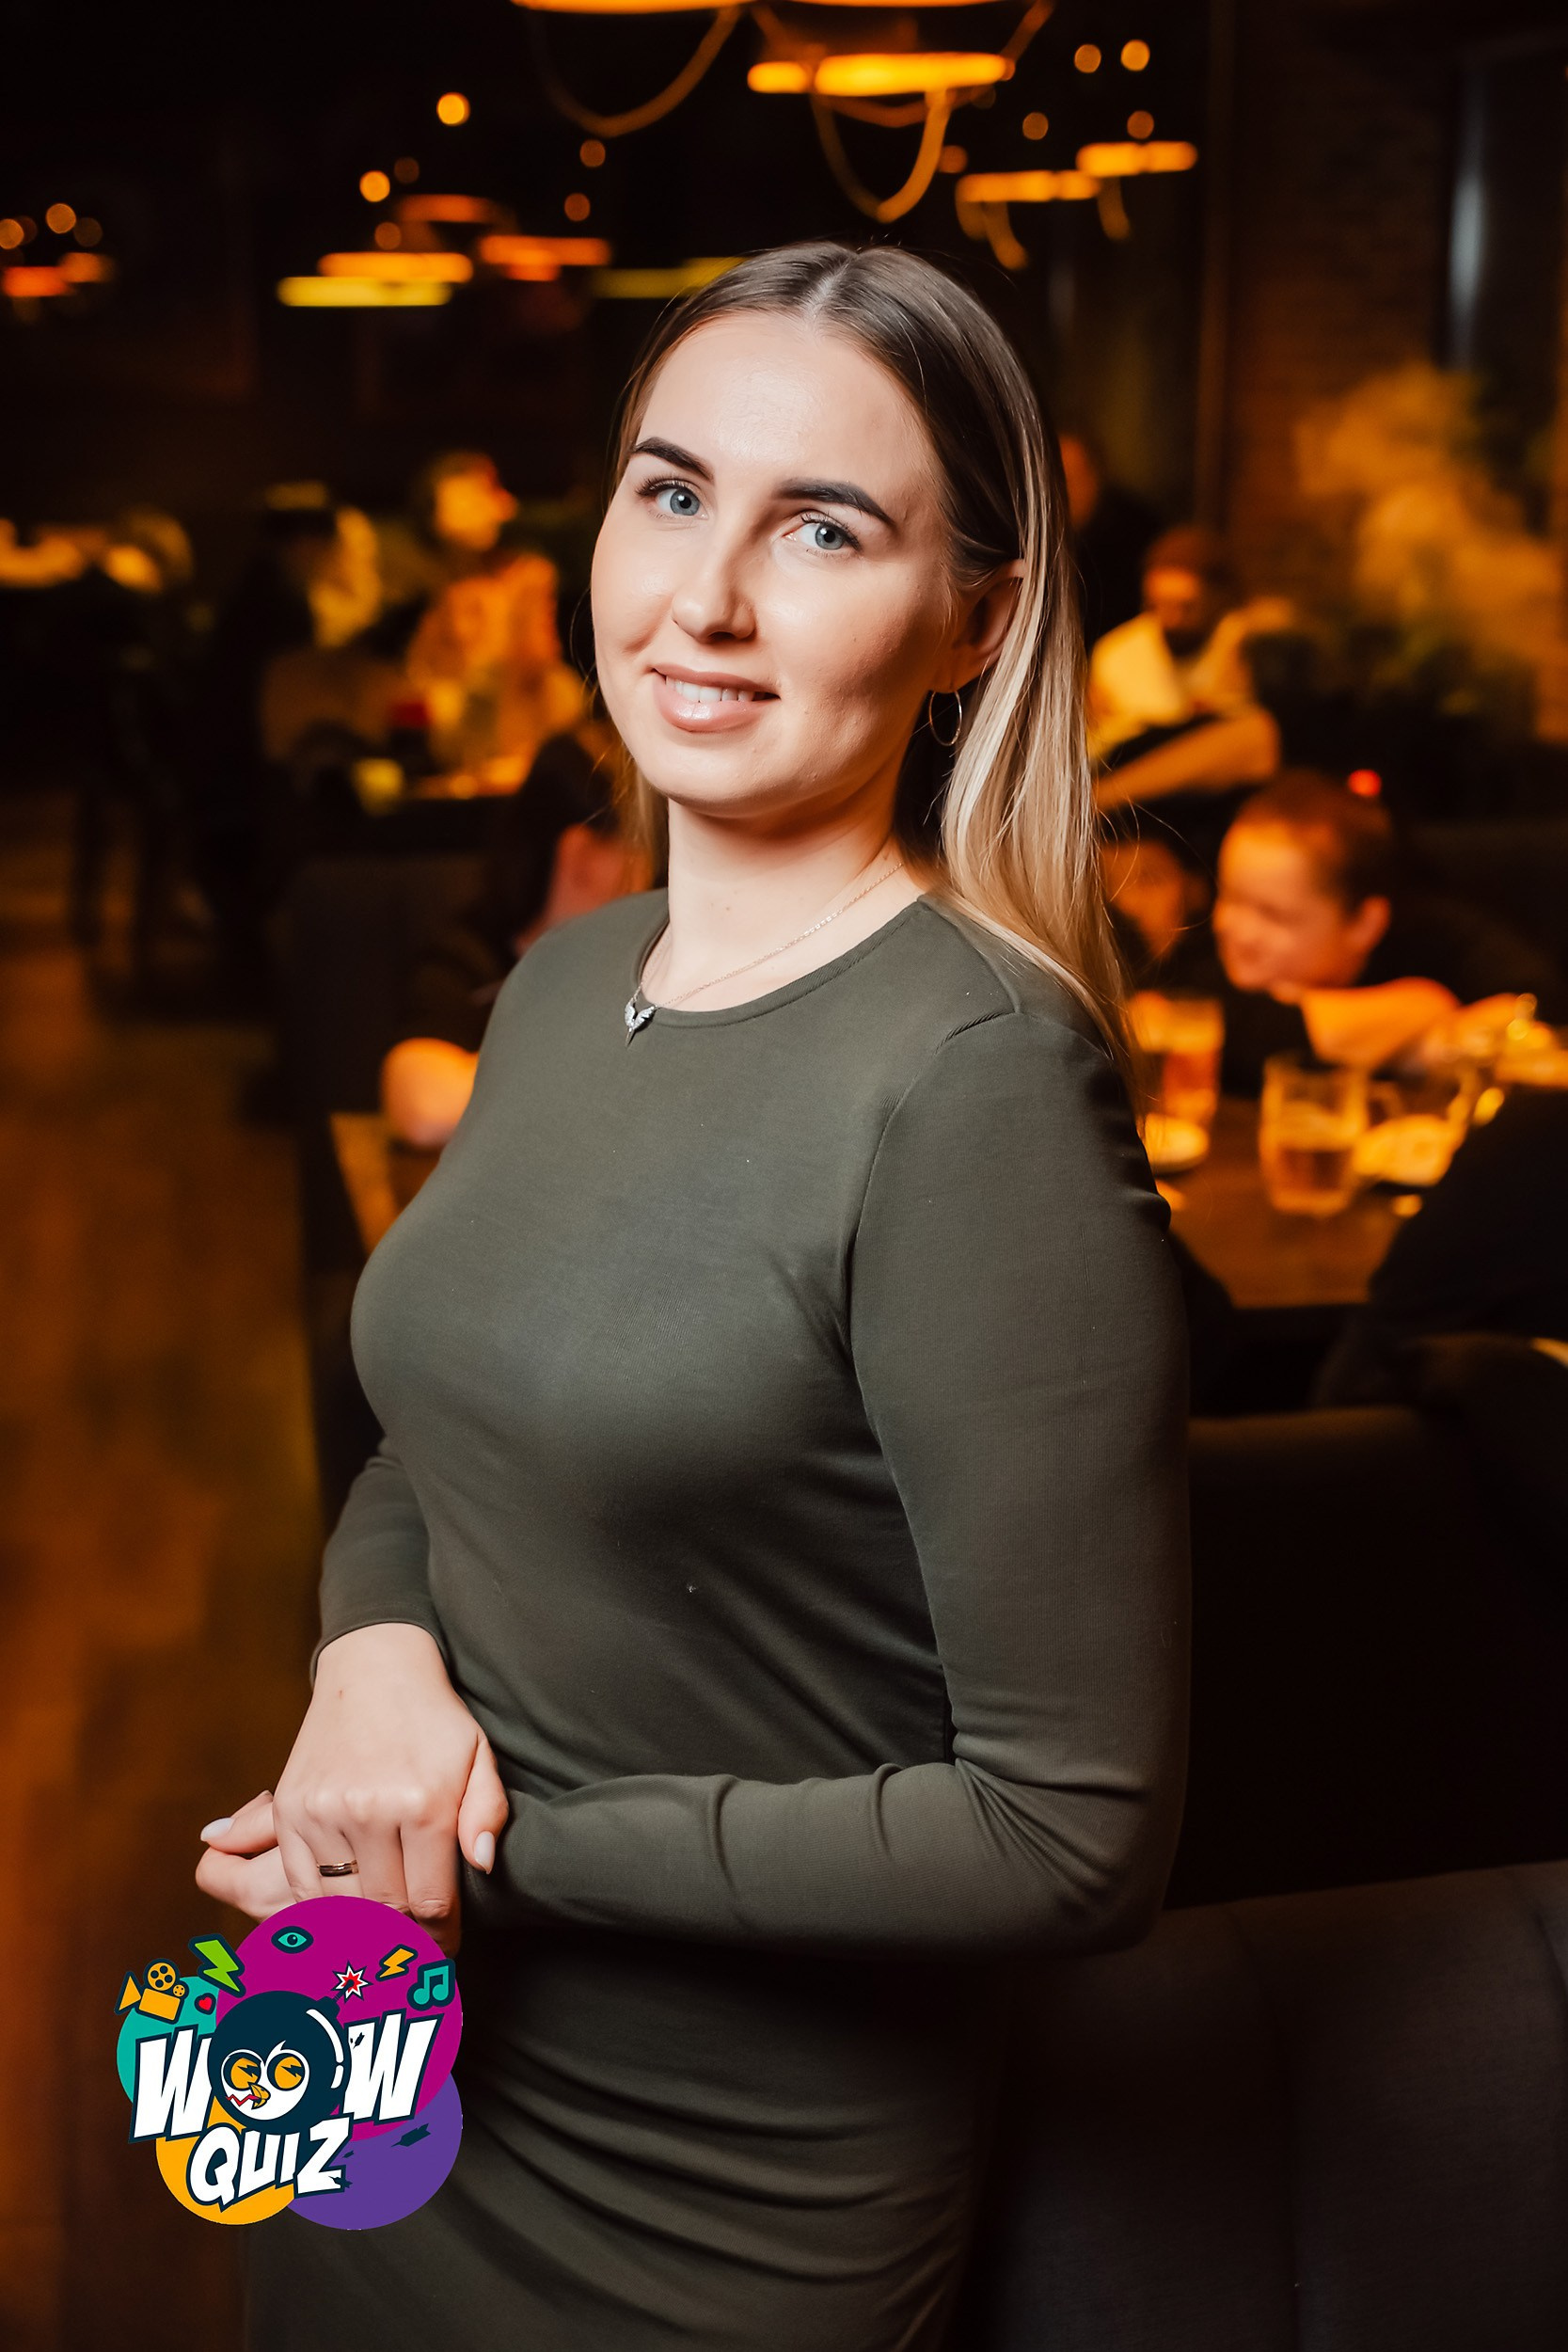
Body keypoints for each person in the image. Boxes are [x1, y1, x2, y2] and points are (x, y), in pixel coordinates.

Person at [198, 242, 1189, 2352]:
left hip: (701, 2189)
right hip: (370, 2029)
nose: (703, 599)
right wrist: (369, 1658)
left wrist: (486, 1852)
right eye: (670, 493)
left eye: (820, 529)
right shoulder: (569, 979)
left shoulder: (977, 1082)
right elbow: (436, 1439)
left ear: (973, 619)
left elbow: (1069, 1832)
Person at [1143, 772, 1564, 1095]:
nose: (1237, 929)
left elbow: (1542, 1003)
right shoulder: (1195, 953)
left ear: (1364, 925)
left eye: (1274, 916)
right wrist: (1418, 1006)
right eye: (1230, 897)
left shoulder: (1422, 929)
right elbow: (1250, 1044)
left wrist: (1424, 1043)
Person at [382, 727, 640, 1146]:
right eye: (639, 846)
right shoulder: (468, 965)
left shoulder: (651, 961)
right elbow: (423, 1110)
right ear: (581, 857)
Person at [1089, 526, 1291, 869]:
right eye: (1157, 605)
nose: (1169, 620)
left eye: (1185, 607)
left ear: (1216, 599)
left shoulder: (1243, 644)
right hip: (1130, 789)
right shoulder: (1119, 652)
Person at [1058, 428, 1161, 648]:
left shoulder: (1135, 531)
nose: (1064, 489)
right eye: (1055, 478)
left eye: (1073, 477)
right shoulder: (1030, 532)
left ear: (1096, 475)